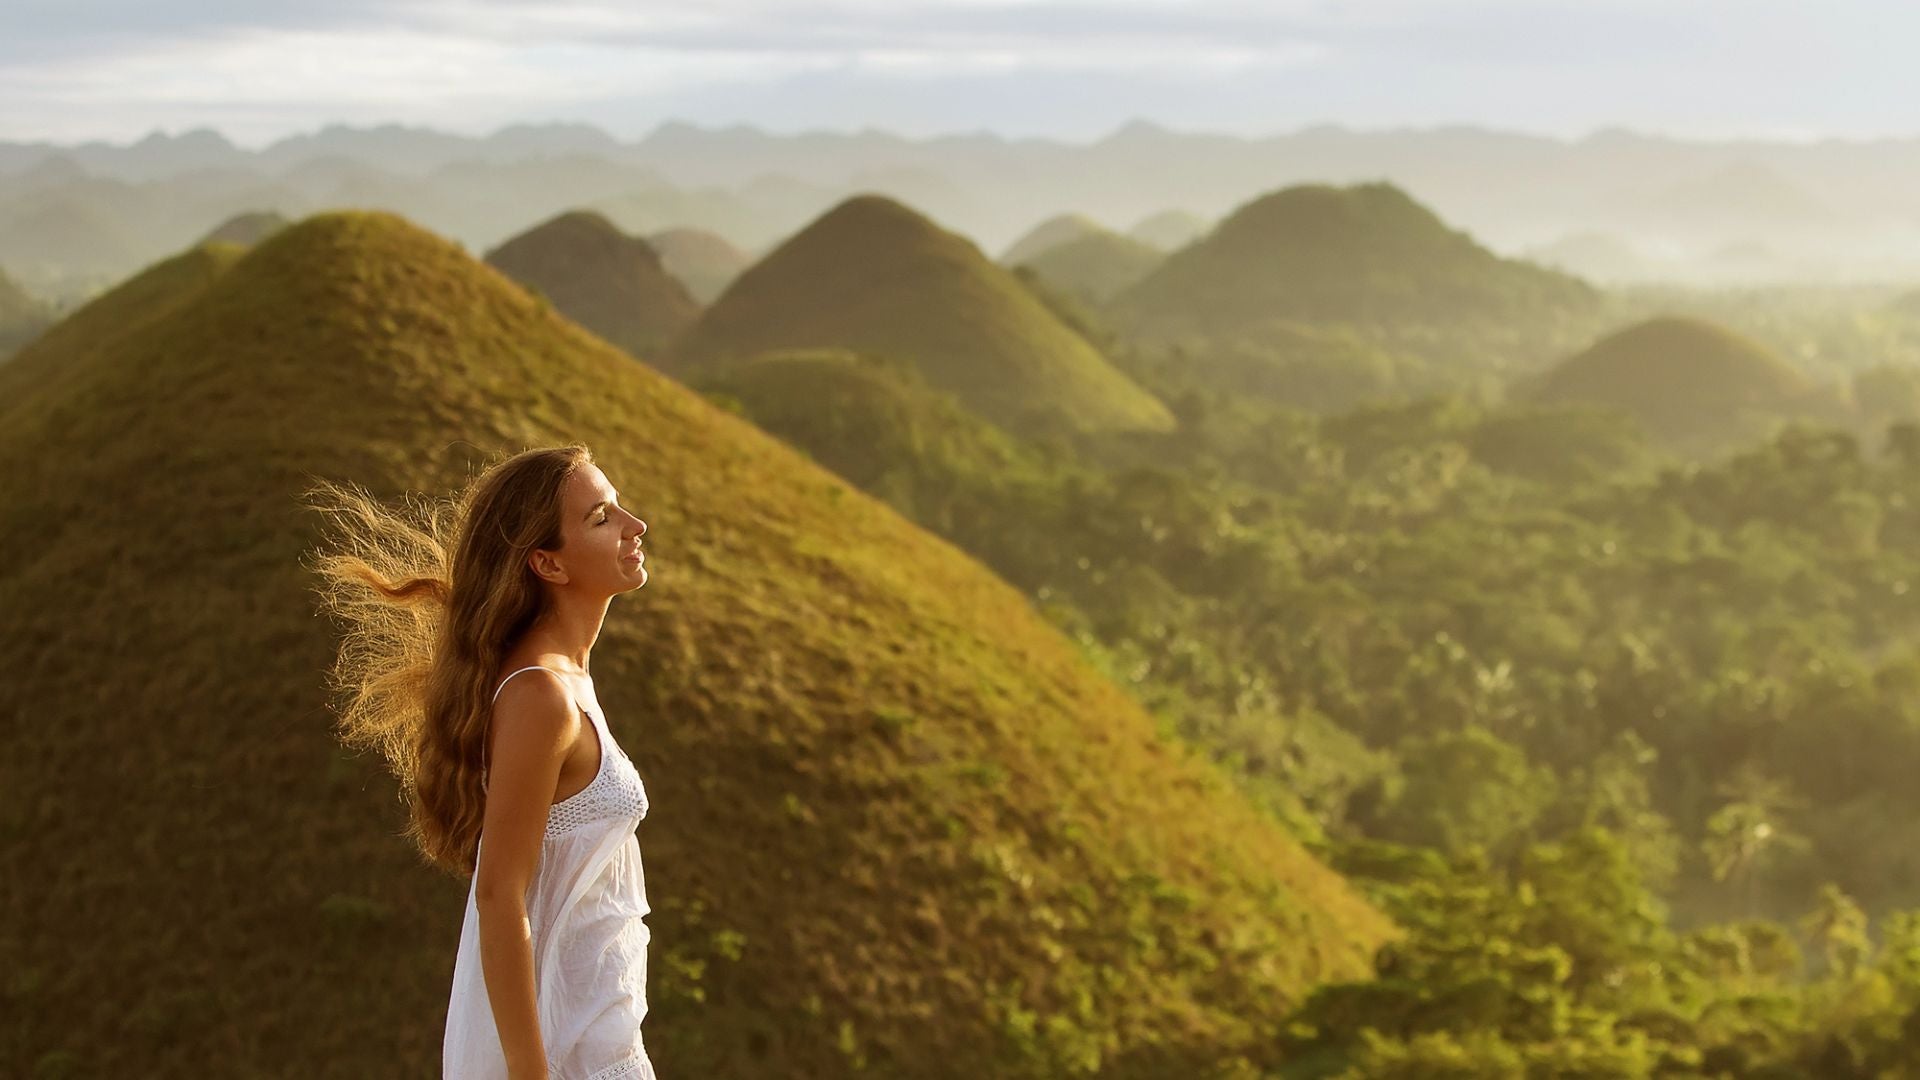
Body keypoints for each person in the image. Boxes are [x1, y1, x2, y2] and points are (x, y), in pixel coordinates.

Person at [302, 444, 657, 1079]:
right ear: (547, 562)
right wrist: (530, 1074)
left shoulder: (566, 680)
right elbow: (499, 894)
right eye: (601, 517)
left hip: (602, 1036)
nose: (635, 525)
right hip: (565, 1054)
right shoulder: (541, 696)